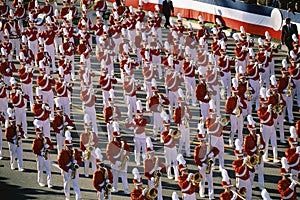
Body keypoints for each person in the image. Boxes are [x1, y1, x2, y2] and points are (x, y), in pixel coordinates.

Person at [58, 131, 82, 200]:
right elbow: (60, 164)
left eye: (71, 146)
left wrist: (76, 161)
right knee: (67, 184)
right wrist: (67, 169)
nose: (70, 148)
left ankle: (78, 197)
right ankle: (67, 197)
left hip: (74, 170)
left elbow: (79, 159)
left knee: (76, 184)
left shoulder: (75, 151)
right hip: (66, 171)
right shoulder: (62, 153)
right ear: (65, 146)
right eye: (68, 146)